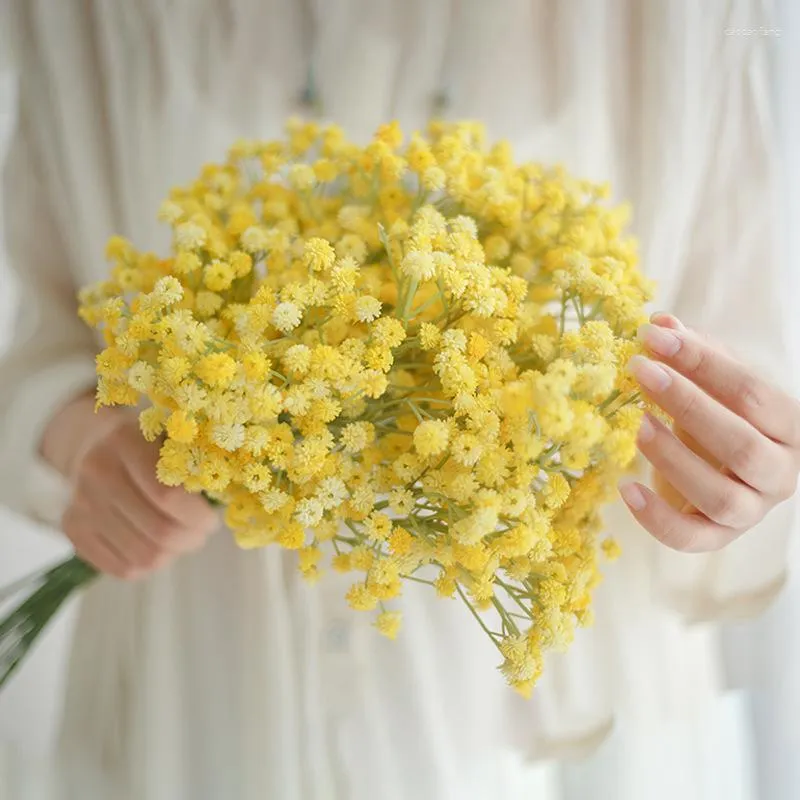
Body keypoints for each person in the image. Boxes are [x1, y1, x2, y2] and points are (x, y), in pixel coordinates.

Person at [0, 2, 797, 799]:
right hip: (202, 674)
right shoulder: (83, 17)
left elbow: (754, 354)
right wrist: (85, 446)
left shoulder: (680, 20)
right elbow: (43, 340)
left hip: (525, 724)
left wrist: (739, 466)